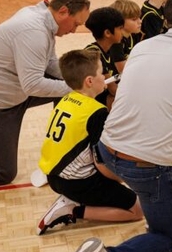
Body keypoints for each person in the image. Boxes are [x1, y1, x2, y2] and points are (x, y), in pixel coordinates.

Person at [39, 0, 172, 252]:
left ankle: (78, 203)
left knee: (140, 193)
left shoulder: (142, 47)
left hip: (106, 152)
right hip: (149, 166)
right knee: (166, 237)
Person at [0, 0, 90, 186]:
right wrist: (74, 88)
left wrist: (80, 80)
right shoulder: (32, 31)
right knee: (1, 174)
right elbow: (33, 84)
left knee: (67, 90)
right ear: (63, 11)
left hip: (13, 91)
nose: (74, 30)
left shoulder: (43, 18)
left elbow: (50, 64)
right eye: (76, 23)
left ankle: (62, 149)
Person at [36, 50, 142, 236]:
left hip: (52, 175)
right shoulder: (96, 112)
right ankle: (73, 210)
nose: (105, 76)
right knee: (137, 210)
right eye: (102, 73)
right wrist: (122, 179)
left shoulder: (65, 99)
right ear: (90, 81)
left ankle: (73, 202)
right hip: (77, 182)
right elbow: (101, 163)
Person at [84, 7, 126, 107]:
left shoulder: (112, 48)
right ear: (107, 33)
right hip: (90, 102)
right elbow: (113, 90)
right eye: (120, 28)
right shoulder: (94, 53)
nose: (123, 32)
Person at [110, 0, 143, 66]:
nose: (140, 21)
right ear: (120, 22)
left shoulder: (134, 35)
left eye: (139, 17)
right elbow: (122, 70)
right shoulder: (115, 43)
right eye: (134, 19)